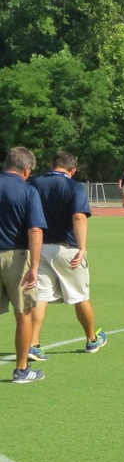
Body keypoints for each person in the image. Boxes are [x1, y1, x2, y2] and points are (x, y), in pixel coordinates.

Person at [29, 152, 107, 361]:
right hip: (66, 249)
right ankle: (92, 339)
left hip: (39, 248)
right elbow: (79, 216)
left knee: (41, 297)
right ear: (73, 170)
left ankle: (33, 343)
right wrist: (82, 248)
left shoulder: (34, 183)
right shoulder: (74, 186)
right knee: (80, 296)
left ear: (50, 165)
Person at [0, 147, 46, 384]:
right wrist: (35, 267)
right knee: (24, 314)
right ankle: (21, 369)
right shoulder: (28, 191)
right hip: (16, 256)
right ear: (27, 170)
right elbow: (35, 229)